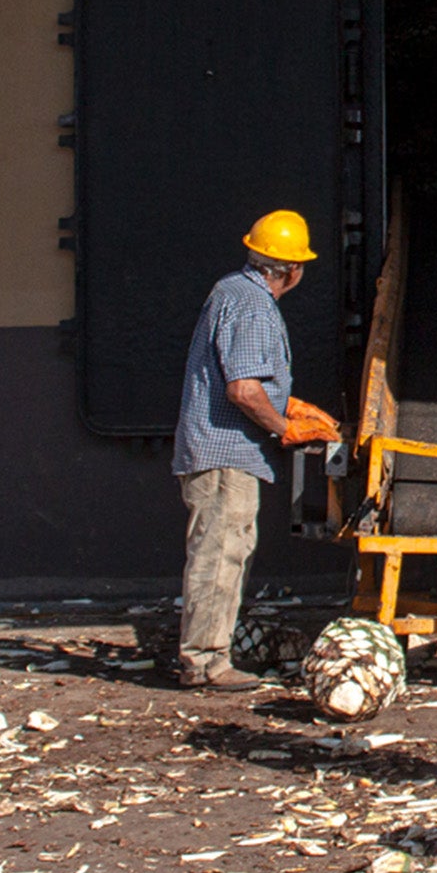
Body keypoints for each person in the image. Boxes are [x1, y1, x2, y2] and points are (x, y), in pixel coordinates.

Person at [171, 211, 339, 690]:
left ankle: (206, 657)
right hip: (228, 454)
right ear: (291, 270)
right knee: (221, 554)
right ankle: (206, 663)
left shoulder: (231, 291)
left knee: (223, 550)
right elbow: (244, 390)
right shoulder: (253, 306)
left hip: (216, 450)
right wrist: (285, 427)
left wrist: (291, 405)